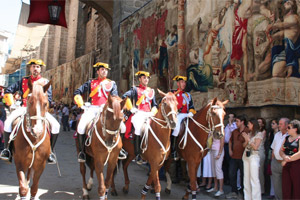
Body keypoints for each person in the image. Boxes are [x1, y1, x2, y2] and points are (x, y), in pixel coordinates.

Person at [0, 59, 60, 164]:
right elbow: (9, 91)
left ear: (40, 69)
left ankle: (50, 152)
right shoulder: (23, 80)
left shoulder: (45, 82)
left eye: (37, 67)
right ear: (30, 68)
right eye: (33, 67)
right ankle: (7, 150)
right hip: (24, 107)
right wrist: (11, 103)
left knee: (56, 125)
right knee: (8, 122)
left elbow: (49, 99)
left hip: (39, 110)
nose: (35, 69)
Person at [74, 62, 121, 163]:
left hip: (106, 109)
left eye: (106, 69)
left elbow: (114, 96)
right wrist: (80, 102)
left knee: (121, 126)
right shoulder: (91, 83)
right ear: (98, 71)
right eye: (102, 69)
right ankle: (82, 152)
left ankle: (120, 149)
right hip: (93, 108)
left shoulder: (111, 83)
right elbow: (78, 92)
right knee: (81, 126)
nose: (104, 71)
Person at [122, 71, 158, 164]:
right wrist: (131, 108)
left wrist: (153, 112)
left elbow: (154, 105)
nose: (146, 79)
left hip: (149, 114)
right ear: (139, 79)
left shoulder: (151, 91)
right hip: (138, 113)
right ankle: (138, 154)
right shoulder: (135, 89)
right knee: (138, 128)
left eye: (147, 78)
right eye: (144, 78)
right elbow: (125, 96)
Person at [170, 75, 196, 160]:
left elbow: (191, 106)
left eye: (184, 82)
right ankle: (173, 150)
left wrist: (191, 112)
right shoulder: (173, 94)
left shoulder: (188, 95)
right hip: (178, 115)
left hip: (187, 115)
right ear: (178, 83)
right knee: (176, 128)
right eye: (182, 82)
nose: (184, 84)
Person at [226, 115, 249, 199]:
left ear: (242, 122)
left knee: (243, 175)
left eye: (237, 121)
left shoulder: (247, 130)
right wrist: (230, 150)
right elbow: (230, 141)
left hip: (243, 157)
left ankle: (242, 192)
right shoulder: (235, 131)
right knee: (231, 174)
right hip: (234, 156)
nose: (236, 123)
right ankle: (234, 191)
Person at [242, 118, 263, 200]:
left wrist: (248, 140)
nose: (248, 125)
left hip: (254, 156)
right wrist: (246, 140)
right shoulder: (249, 133)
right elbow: (244, 145)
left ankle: (256, 198)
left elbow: (255, 147)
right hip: (246, 155)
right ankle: (247, 197)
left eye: (249, 124)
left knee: (254, 179)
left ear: (253, 124)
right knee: (246, 179)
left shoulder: (259, 134)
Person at [280, 119, 300, 199]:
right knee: (286, 187)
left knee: (297, 186)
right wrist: (284, 157)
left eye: (289, 127)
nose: (287, 129)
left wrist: (288, 159)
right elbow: (281, 150)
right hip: (286, 165)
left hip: (296, 165)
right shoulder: (286, 138)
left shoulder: (299, 139)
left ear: (295, 129)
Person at [270, 117, 289, 200]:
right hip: (275, 162)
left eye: (281, 124)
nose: (279, 125)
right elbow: (273, 148)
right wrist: (272, 160)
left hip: (285, 163)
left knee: (286, 185)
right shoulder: (277, 134)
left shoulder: (290, 135)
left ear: (286, 125)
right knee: (276, 185)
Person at [223, 113, 237, 185]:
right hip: (225, 145)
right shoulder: (227, 125)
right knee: (224, 163)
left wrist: (231, 123)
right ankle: (226, 179)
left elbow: (233, 132)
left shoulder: (234, 125)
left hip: (230, 145)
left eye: (232, 117)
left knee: (230, 163)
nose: (230, 118)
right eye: (229, 117)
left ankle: (231, 180)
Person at [257, 117, 266, 195]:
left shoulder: (263, 131)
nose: (258, 123)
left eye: (260, 122)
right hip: (255, 152)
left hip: (260, 151)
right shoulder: (254, 131)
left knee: (260, 172)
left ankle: (262, 189)